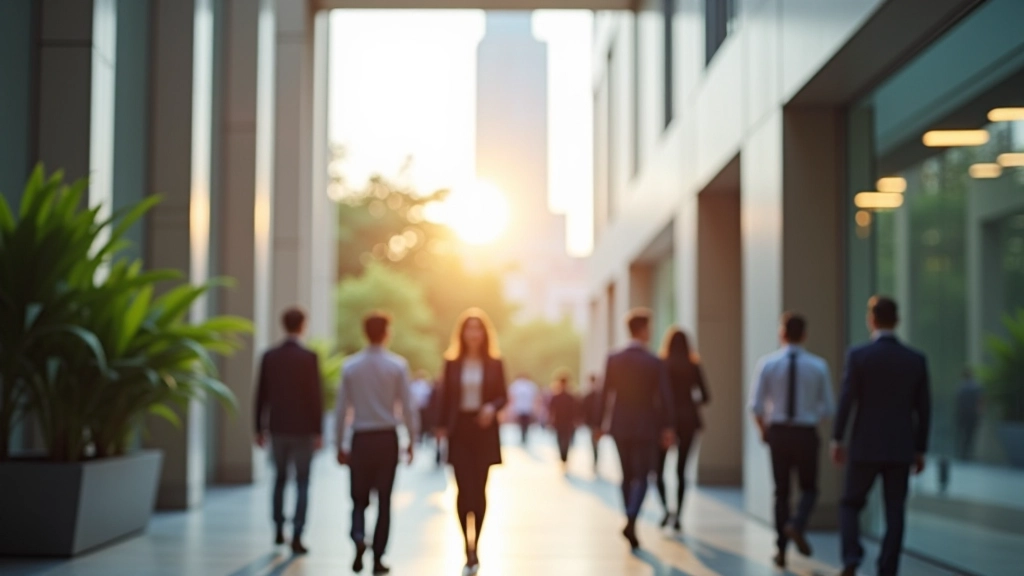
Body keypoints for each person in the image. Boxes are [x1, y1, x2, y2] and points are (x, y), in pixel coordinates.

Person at [832, 296, 931, 576]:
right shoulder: (915, 359)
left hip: (864, 445)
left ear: (871, 319)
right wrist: (920, 448)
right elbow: (923, 409)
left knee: (850, 503)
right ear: (897, 321)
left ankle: (851, 557)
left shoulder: (859, 356)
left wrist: (837, 439)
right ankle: (888, 569)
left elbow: (846, 400)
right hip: (901, 447)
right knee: (895, 510)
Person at [334, 312, 418, 574]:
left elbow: (341, 409)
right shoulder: (397, 366)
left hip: (361, 438)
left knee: (358, 498)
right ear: (387, 333)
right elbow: (408, 407)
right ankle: (378, 556)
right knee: (384, 500)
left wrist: (339, 443)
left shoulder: (350, 366)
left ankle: (358, 535)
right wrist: (412, 440)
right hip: (386, 439)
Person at [749, 313, 835, 569]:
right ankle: (796, 525)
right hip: (805, 433)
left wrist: (763, 430)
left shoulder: (768, 363)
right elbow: (828, 409)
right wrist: (809, 421)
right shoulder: (818, 366)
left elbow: (755, 406)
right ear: (805, 335)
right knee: (809, 488)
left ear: (781, 334)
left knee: (781, 492)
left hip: (778, 433)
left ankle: (781, 550)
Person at [595, 308, 675, 550]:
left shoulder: (614, 358)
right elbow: (665, 397)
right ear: (643, 330)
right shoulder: (653, 361)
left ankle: (629, 516)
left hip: (619, 425)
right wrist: (668, 427)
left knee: (626, 475)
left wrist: (598, 424)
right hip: (646, 425)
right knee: (642, 475)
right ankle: (632, 516)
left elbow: (604, 393)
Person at [437, 308, 508, 575]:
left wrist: (492, 407)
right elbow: (445, 397)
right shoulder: (452, 363)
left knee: (479, 491)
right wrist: (440, 426)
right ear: (463, 333)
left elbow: (503, 395)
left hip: (484, 430)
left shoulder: (495, 363)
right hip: (460, 430)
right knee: (462, 490)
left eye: (478, 329)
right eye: (469, 329)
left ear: (484, 333)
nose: (474, 334)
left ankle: (475, 544)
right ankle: (464, 545)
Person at [254, 307, 324, 555]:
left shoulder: (270, 356)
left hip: (279, 427)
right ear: (302, 325)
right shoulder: (309, 357)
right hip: (303, 429)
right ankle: (297, 533)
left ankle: (277, 528)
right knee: (302, 482)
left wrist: (258, 428)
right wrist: (319, 431)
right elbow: (316, 397)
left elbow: (260, 394)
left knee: (280, 479)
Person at [655, 327, 709, 532]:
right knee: (681, 470)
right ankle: (678, 516)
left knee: (658, 470)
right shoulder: (693, 366)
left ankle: (665, 510)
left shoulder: (662, 365)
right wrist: (689, 403)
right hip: (689, 421)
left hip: (665, 423)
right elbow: (705, 396)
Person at [547, 371, 580, 469]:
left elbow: (551, 411)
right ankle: (564, 456)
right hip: (566, 422)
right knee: (565, 440)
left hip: (562, 422)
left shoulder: (558, 397)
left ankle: (563, 456)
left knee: (561, 439)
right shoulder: (570, 396)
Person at [955, 368, 983, 461]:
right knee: (970, 435)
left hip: (963, 414)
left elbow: (958, 402)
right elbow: (980, 401)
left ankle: (962, 453)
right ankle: (966, 454)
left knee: (962, 434)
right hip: (972, 414)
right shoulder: (976, 387)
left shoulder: (961, 387)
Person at [508, 373, 539, 444]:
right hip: (526, 408)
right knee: (525, 424)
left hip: (521, 408)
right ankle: (524, 436)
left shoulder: (517, 385)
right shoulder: (530, 385)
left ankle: (523, 436)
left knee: (522, 423)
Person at [582, 374, 604, 471]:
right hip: (592, 423)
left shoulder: (601, 396)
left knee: (596, 442)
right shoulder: (588, 397)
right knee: (594, 442)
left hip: (599, 423)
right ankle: (596, 460)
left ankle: (596, 459)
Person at [409, 370, 434, 445]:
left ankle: (422, 435)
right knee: (417, 422)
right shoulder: (414, 385)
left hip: (423, 408)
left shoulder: (425, 385)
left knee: (423, 422)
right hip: (416, 407)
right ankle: (417, 435)